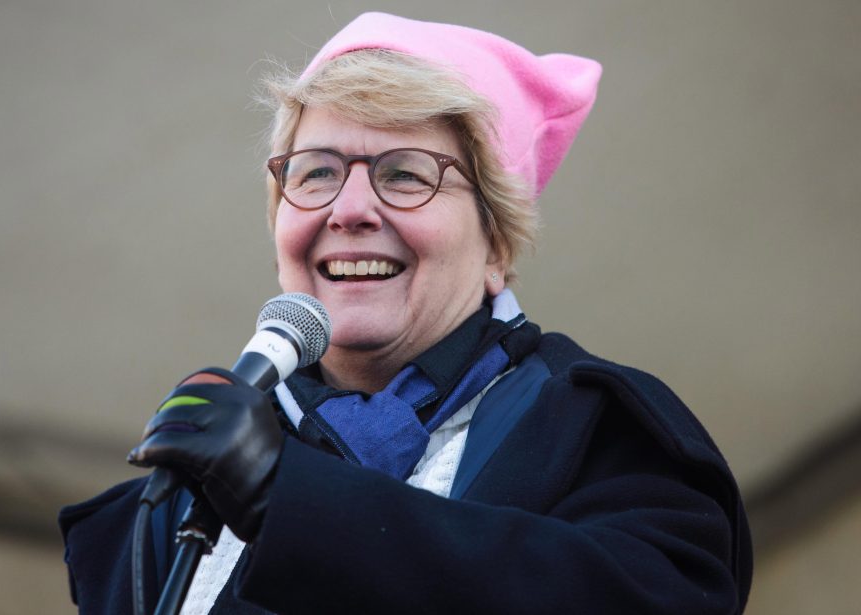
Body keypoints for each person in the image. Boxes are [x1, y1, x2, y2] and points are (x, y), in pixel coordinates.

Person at [60, 12, 753, 615]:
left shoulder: (595, 429)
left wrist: (291, 502)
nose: (350, 208)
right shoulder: (164, 509)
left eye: (405, 174)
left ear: (496, 243)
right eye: (317, 172)